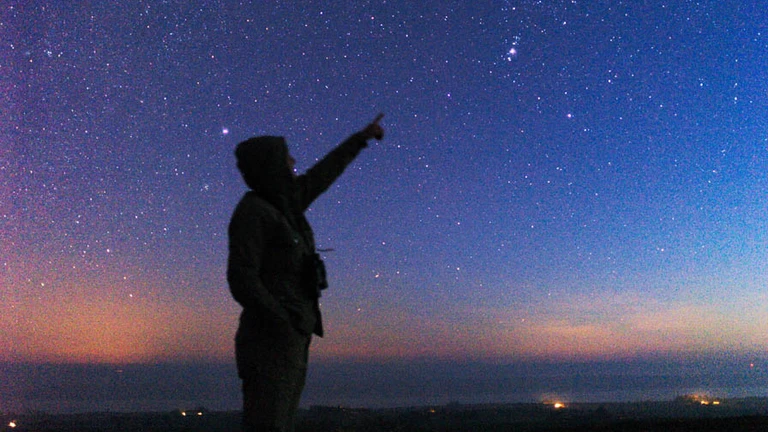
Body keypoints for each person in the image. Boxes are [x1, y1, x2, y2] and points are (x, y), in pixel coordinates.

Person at [227, 114, 384, 432]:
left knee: (281, 421)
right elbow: (242, 279)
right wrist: (282, 321)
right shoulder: (254, 212)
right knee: (267, 423)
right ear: (272, 165)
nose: (294, 160)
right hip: (270, 340)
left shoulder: (285, 203)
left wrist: (360, 138)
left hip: (291, 334)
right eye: (286, 157)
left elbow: (324, 173)